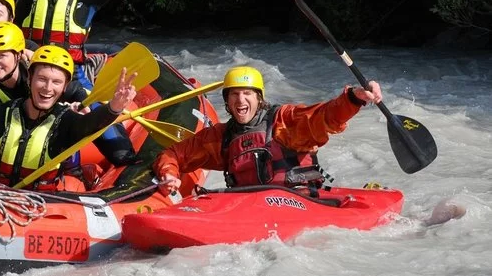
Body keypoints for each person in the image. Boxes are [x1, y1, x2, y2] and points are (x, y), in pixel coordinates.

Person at [15, 0, 176, 165]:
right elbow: (13, 27)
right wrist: (28, 47)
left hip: (72, 77)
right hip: (30, 73)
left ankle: (128, 164)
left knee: (113, 139)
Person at [154, 66, 384, 195]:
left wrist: (354, 97)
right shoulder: (221, 137)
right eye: (234, 94)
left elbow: (325, 116)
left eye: (247, 93)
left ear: (259, 98)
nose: (240, 100)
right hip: (249, 207)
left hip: (298, 200)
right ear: (227, 101)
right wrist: (169, 174)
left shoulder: (284, 121)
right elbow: (174, 154)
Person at [0, 45, 137, 191]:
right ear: (29, 79)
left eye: (56, 82)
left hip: (41, 205)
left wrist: (114, 107)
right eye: (42, 79)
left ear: (65, 87)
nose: (48, 88)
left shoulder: (66, 121)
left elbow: (90, 124)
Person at [0, 22, 86, 128]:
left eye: (2, 55)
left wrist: (80, 105)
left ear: (18, 55)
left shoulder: (34, 76)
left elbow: (76, 90)